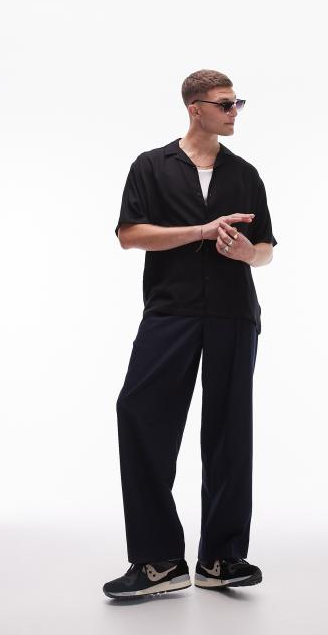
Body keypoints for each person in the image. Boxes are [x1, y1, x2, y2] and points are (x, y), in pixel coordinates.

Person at [103, 69, 278, 600]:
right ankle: (159, 561)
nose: (234, 112)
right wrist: (200, 232)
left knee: (229, 431)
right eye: (225, 104)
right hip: (170, 310)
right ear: (194, 107)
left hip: (232, 312)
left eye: (237, 103)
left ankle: (221, 560)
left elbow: (266, 249)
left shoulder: (245, 174)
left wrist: (247, 253)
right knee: (139, 413)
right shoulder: (151, 166)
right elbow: (130, 235)